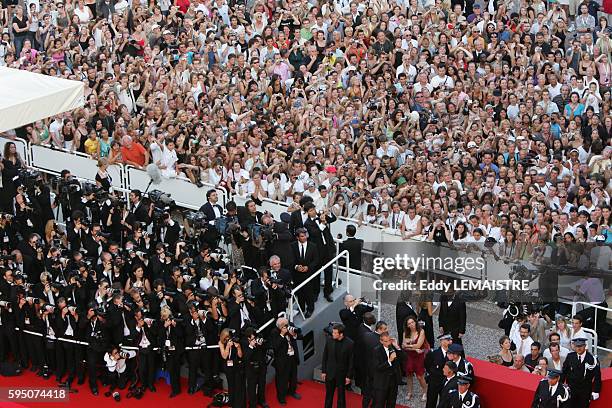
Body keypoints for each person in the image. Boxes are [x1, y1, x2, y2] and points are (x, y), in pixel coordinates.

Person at [561, 337, 602, 407]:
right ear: (574, 346)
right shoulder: (570, 356)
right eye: (577, 346)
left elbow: (597, 376)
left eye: (581, 346)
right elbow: (564, 372)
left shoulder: (592, 359)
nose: (579, 348)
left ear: (585, 346)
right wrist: (560, 385)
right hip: (571, 390)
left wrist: (596, 391)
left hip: (585, 391)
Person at [322, 323, 354, 408]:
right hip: (330, 372)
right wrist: (324, 371)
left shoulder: (350, 344)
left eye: (335, 333)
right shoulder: (329, 340)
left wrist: (348, 376)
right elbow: (325, 356)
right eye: (333, 332)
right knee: (329, 394)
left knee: (341, 395)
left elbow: (351, 361)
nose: (333, 334)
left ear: (341, 334)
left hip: (342, 374)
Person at [270, 317, 301, 405]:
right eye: (285, 325)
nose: (287, 326)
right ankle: (281, 397)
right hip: (282, 360)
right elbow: (275, 346)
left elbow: (300, 335)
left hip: (293, 357)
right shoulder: (274, 332)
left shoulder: (291, 326)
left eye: (287, 324)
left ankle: (292, 391)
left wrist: (294, 334)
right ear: (280, 326)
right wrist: (282, 335)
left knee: (293, 377)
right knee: (282, 380)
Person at [401, 315, 429, 401]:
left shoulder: (421, 331)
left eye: (412, 322)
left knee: (420, 376)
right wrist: (412, 347)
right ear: (407, 325)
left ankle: (425, 391)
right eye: (409, 323)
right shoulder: (405, 333)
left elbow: (418, 345)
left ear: (415, 322)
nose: (411, 324)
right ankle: (410, 392)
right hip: (409, 356)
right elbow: (403, 346)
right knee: (409, 375)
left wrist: (409, 345)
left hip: (418, 356)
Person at [371, 332, 402, 408]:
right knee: (379, 404)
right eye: (386, 341)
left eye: (389, 340)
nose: (388, 343)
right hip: (382, 382)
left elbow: (404, 359)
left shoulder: (393, 347)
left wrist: (397, 347)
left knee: (391, 403)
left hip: (393, 381)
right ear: (381, 341)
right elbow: (378, 367)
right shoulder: (376, 351)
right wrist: (389, 361)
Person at [425, 333, 452, 408]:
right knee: (431, 401)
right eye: (448, 340)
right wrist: (432, 373)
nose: (450, 341)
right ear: (442, 341)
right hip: (434, 381)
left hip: (445, 381)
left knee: (444, 402)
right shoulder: (433, 353)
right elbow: (427, 364)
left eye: (450, 340)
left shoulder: (452, 354)